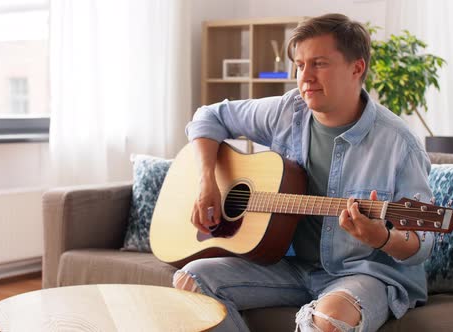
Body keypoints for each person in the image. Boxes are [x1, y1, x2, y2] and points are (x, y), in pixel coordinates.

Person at [174, 13, 435, 332]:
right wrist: (207, 183)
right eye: (300, 65)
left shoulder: (400, 144)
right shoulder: (287, 111)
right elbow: (208, 116)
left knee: (328, 320)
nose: (304, 77)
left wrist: (381, 237)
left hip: (364, 273)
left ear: (357, 68)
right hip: (288, 266)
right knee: (191, 279)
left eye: (319, 64)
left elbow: (419, 244)